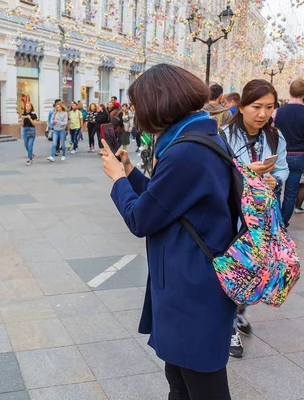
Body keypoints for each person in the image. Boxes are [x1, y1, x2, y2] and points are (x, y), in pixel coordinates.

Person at [101, 63, 236, 399]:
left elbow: (141, 219)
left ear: (158, 104)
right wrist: (131, 171)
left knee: (203, 386)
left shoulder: (186, 152)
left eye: (138, 105)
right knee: (179, 377)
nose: (136, 113)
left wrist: (118, 180)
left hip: (192, 288)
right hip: (189, 279)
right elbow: (169, 200)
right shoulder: (198, 137)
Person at [222, 79, 288, 358]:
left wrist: (275, 179)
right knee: (233, 269)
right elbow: (220, 175)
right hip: (232, 215)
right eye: (256, 106)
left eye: (269, 107)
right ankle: (228, 329)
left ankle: (238, 312)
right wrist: (248, 173)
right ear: (241, 106)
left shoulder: (275, 137)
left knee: (253, 269)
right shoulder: (223, 135)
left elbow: (283, 168)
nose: (262, 114)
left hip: (261, 218)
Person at [272, 78, 304, 226]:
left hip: (279, 154)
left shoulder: (277, 112)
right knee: (291, 194)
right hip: (298, 155)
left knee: (276, 190)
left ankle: (276, 222)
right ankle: (283, 223)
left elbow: (271, 135)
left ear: (289, 91)